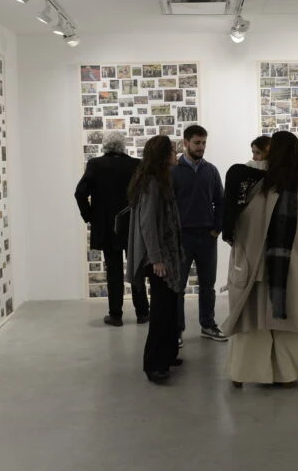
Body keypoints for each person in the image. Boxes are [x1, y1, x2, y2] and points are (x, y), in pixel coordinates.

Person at [221, 131, 298, 387]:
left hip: (252, 264)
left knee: (252, 320)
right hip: (286, 267)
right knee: (286, 321)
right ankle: (286, 374)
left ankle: (243, 372)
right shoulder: (295, 183)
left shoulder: (247, 176)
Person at [74, 132, 149, 326]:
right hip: (133, 226)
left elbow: (80, 193)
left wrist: (90, 217)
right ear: (123, 146)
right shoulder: (136, 165)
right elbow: (146, 195)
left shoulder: (95, 165)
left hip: (108, 227)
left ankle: (116, 315)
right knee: (136, 268)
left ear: (105, 146)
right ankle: (142, 312)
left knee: (113, 271)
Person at [126, 135, 185, 383]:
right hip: (160, 257)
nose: (176, 154)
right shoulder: (152, 183)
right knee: (161, 311)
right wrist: (156, 258)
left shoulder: (160, 179)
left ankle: (168, 354)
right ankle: (154, 363)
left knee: (170, 307)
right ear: (163, 156)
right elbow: (148, 224)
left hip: (168, 253)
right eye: (172, 150)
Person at [172, 125, 226, 343]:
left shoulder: (211, 170)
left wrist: (217, 228)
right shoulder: (173, 170)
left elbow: (220, 201)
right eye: (197, 143)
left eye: (203, 143)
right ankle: (176, 330)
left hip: (207, 237)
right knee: (178, 287)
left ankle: (208, 324)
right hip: (182, 237)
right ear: (185, 143)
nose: (201, 147)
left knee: (207, 285)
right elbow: (167, 206)